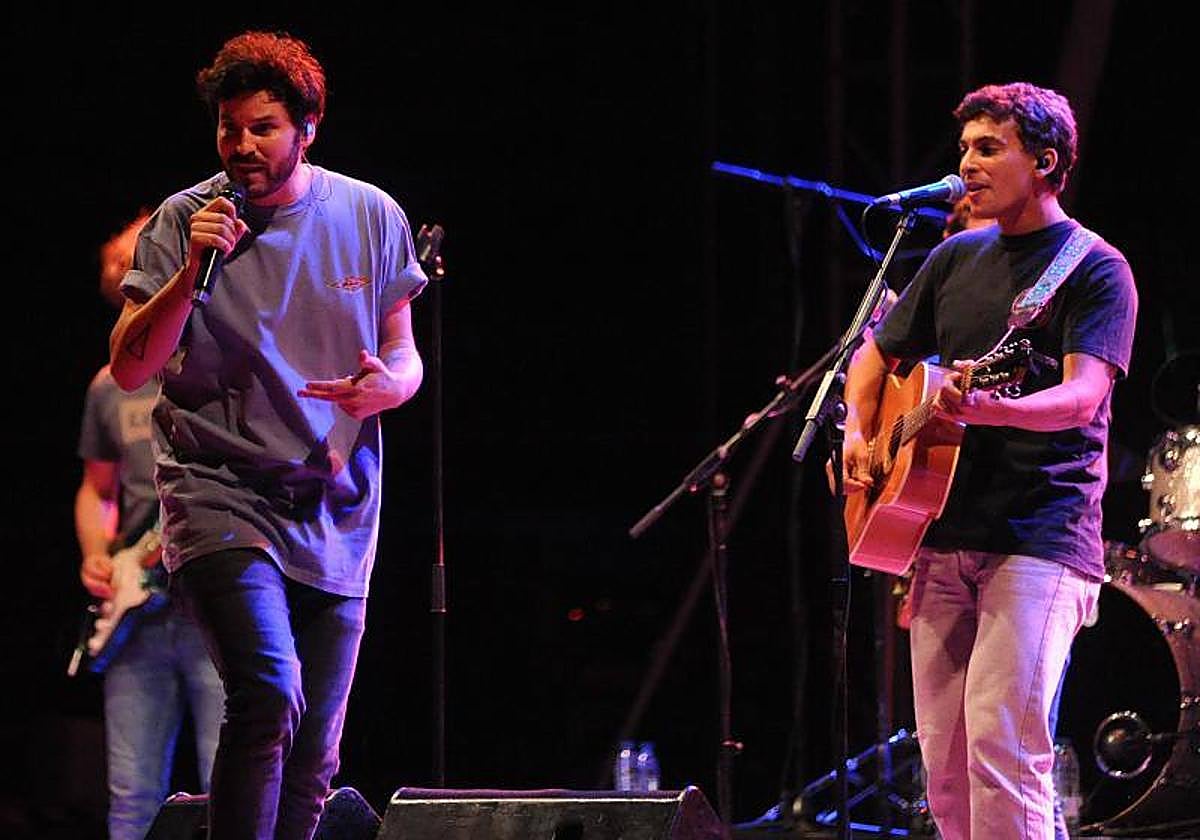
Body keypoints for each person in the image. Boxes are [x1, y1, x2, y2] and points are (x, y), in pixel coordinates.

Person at [107, 31, 427, 839]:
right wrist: (190, 271)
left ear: (308, 128)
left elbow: (403, 355)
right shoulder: (185, 219)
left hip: (334, 504)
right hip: (218, 491)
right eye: (229, 128)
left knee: (316, 754)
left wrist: (391, 385)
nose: (242, 146)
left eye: (263, 128)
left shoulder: (370, 213)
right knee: (267, 690)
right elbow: (132, 368)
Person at [842, 82, 1137, 838]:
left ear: (1045, 161)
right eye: (965, 148)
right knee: (943, 767)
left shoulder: (1096, 269)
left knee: (1002, 749)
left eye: (988, 148)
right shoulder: (955, 257)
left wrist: (988, 408)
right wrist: (855, 431)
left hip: (1039, 536)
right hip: (938, 535)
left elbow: (1081, 398)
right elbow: (877, 352)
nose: (967, 164)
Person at [76, 211, 225, 840]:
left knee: (236, 783)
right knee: (132, 797)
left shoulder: (210, 357)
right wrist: (98, 555)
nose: (125, 256)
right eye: (118, 253)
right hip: (138, 617)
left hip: (212, 604)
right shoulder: (108, 387)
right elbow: (95, 488)